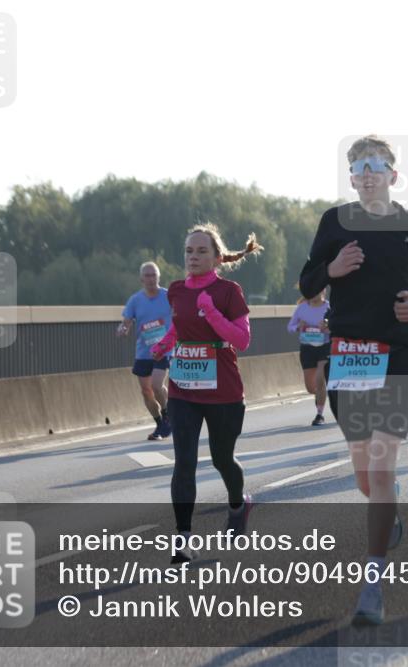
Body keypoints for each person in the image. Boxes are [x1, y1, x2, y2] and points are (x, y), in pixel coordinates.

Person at [299, 135, 408, 625]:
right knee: (365, 477)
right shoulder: (334, 222)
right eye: (359, 166)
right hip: (349, 357)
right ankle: (388, 515)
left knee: (381, 470)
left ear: (393, 176)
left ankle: (373, 583)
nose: (369, 172)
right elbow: (307, 282)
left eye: (377, 165)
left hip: (398, 356)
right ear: (352, 177)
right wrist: (332, 268)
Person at [150, 224, 261, 564]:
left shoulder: (229, 291)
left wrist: (211, 311)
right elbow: (178, 327)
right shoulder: (177, 291)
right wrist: (165, 345)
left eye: (201, 251)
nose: (193, 257)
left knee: (221, 458)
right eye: (188, 251)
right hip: (184, 388)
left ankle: (238, 504)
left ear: (216, 258)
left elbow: (242, 340)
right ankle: (183, 539)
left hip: (223, 390)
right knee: (184, 462)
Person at [118, 261, 172, 440]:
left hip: (164, 349)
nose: (151, 279)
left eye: (154, 275)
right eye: (147, 276)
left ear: (159, 277)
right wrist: (123, 330)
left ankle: (167, 415)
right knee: (146, 391)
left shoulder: (168, 296)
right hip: (144, 351)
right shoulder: (135, 300)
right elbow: (126, 323)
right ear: (141, 279)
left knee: (157, 385)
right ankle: (159, 424)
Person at [287, 289, 331, 426]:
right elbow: (290, 327)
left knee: (320, 379)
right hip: (307, 349)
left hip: (324, 346)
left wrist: (328, 326)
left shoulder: (329, 307)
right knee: (311, 388)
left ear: (323, 291)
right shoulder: (302, 308)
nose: (313, 293)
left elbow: (338, 325)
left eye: (317, 290)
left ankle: (319, 414)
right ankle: (321, 395)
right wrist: (298, 327)